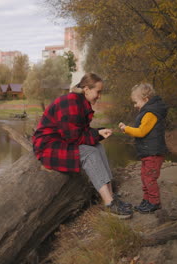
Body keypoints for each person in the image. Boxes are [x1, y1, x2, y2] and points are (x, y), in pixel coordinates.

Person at [32, 73, 133, 219]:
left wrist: (98, 133)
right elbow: (74, 137)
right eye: (98, 92)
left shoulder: (80, 101)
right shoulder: (71, 103)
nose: (100, 96)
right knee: (89, 153)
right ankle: (109, 204)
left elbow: (79, 132)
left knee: (98, 147)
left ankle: (111, 196)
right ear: (86, 89)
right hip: (48, 146)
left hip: (61, 141)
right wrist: (97, 133)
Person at [118, 83, 168, 213]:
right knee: (144, 177)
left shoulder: (151, 113)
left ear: (145, 100)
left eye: (136, 102)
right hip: (148, 152)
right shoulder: (147, 112)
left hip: (153, 153)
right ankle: (147, 200)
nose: (135, 106)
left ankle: (154, 202)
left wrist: (126, 129)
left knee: (149, 178)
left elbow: (141, 132)